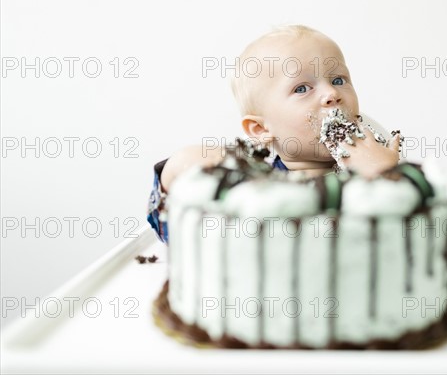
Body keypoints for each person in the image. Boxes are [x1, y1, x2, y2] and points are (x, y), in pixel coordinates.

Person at [147, 24, 402, 243]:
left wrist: (387, 176)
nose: (332, 95)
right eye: (302, 88)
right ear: (261, 129)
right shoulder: (254, 189)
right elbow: (185, 237)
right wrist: (179, 169)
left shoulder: (371, 174)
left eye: (338, 80)